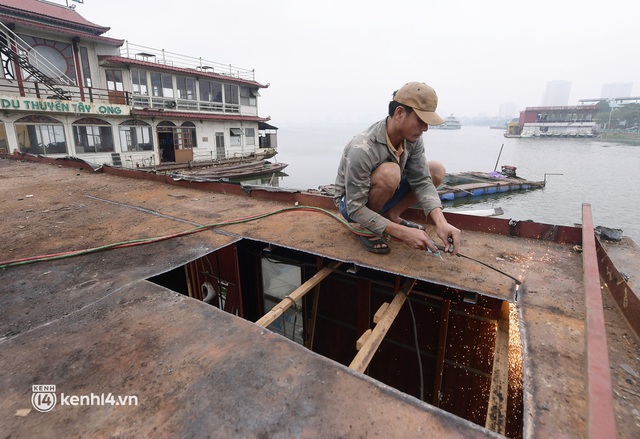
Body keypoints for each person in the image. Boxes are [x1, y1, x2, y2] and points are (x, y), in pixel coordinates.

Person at [334, 81, 461, 255]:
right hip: (351, 206)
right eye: (421, 121)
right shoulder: (362, 147)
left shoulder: (412, 138)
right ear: (399, 113)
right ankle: (368, 228)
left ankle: (392, 216)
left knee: (435, 170)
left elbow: (422, 181)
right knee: (390, 173)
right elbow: (355, 208)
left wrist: (441, 222)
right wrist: (402, 233)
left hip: (384, 196)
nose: (425, 128)